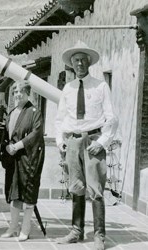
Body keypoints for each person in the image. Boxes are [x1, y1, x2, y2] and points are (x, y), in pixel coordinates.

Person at [55, 41, 118, 250]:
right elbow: (60, 119)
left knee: (96, 190)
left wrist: (102, 142)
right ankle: (76, 231)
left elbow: (111, 118)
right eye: (76, 61)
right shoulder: (68, 88)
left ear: (89, 62)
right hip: (73, 141)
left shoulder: (100, 86)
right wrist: (60, 141)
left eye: (83, 60)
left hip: (93, 142)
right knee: (76, 187)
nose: (79, 63)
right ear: (71, 64)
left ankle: (99, 235)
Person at [0, 80, 45, 241]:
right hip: (13, 160)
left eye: (21, 92)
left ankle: (25, 228)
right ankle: (13, 227)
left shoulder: (34, 112)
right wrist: (6, 147)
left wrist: (18, 146)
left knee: (28, 193)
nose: (18, 95)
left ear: (28, 93)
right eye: (15, 92)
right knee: (14, 193)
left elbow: (36, 134)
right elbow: (7, 135)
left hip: (28, 159)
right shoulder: (12, 112)